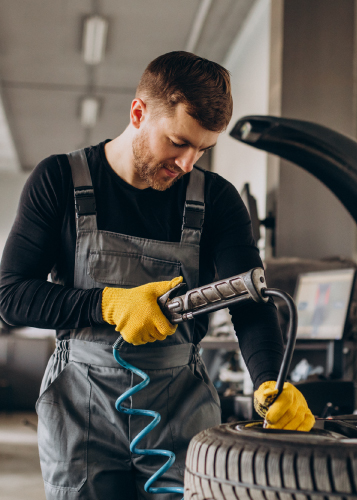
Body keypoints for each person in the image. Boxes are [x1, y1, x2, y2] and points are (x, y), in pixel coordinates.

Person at [0, 51, 314, 499]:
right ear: (138, 113)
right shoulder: (59, 181)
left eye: (203, 149)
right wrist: (106, 303)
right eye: (179, 142)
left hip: (180, 412)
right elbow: (10, 296)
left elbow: (248, 298)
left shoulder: (217, 200)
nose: (188, 163)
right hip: (79, 413)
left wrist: (269, 378)